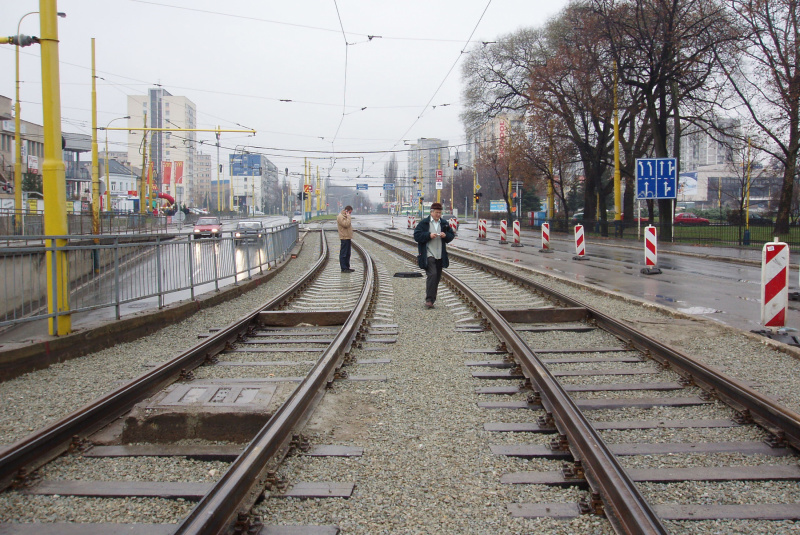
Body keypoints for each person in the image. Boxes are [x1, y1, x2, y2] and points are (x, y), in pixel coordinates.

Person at [413, 202, 455, 308]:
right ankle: (429, 300)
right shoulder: (424, 223)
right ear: (431, 212)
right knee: (432, 274)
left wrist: (445, 236)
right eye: (436, 212)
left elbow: (451, 235)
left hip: (440, 254)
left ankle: (432, 299)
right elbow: (417, 235)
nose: (438, 215)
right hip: (428, 253)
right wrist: (428, 235)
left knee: (436, 277)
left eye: (440, 213)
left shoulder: (444, 223)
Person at [337, 205, 354, 272]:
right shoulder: (340, 217)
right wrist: (348, 217)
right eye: (349, 212)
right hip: (344, 237)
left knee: (347, 253)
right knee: (343, 253)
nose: (350, 214)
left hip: (348, 237)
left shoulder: (345, 216)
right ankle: (343, 268)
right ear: (346, 211)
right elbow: (346, 224)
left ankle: (347, 267)